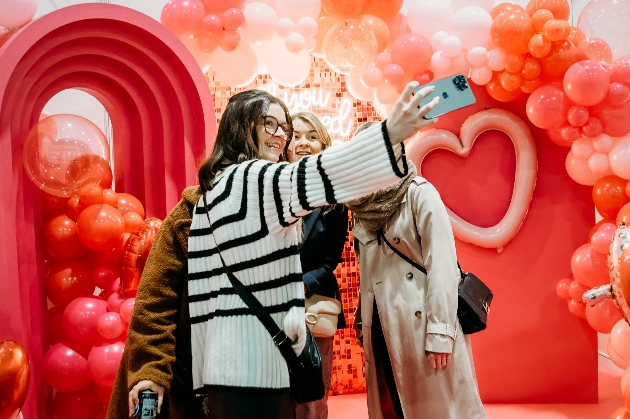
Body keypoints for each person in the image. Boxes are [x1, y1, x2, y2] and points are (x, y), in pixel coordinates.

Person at [106, 82, 440, 419]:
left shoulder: (245, 195)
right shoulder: (223, 198)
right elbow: (157, 298)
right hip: (228, 372)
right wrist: (392, 131)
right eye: (270, 124)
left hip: (245, 368)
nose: (282, 135)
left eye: (285, 127)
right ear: (240, 127)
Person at [348, 122, 487, 419]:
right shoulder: (360, 207)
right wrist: (363, 320)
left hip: (420, 324)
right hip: (382, 326)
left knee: (438, 409)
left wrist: (439, 333)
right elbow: (368, 271)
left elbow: (443, 267)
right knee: (392, 408)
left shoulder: (419, 194)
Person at [287, 111, 348, 419]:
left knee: (313, 395)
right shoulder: (269, 192)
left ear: (323, 146)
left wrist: (301, 282)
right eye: (296, 136)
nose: (303, 143)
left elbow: (329, 261)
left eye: (311, 137)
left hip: (314, 305)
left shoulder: (334, 202)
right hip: (270, 305)